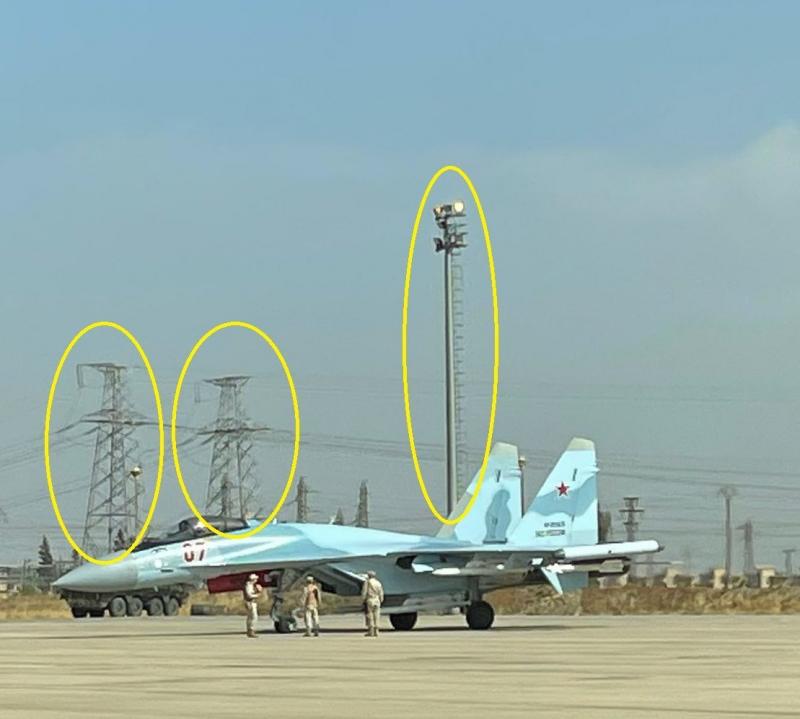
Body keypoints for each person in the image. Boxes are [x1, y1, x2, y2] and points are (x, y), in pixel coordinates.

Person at [361, 570, 384, 637]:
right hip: (377, 600)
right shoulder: (378, 583)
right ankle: (377, 631)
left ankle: (371, 632)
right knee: (377, 615)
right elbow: (381, 592)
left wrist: (363, 600)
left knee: (370, 615)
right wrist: (381, 599)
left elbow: (364, 592)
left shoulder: (367, 582)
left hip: (370, 599)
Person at [243, 573, 262, 638]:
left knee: (251, 617)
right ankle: (251, 630)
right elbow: (249, 595)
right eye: (255, 579)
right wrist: (257, 595)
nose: (256, 580)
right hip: (250, 602)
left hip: (251, 602)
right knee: (253, 617)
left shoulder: (251, 585)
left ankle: (250, 630)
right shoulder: (249, 585)